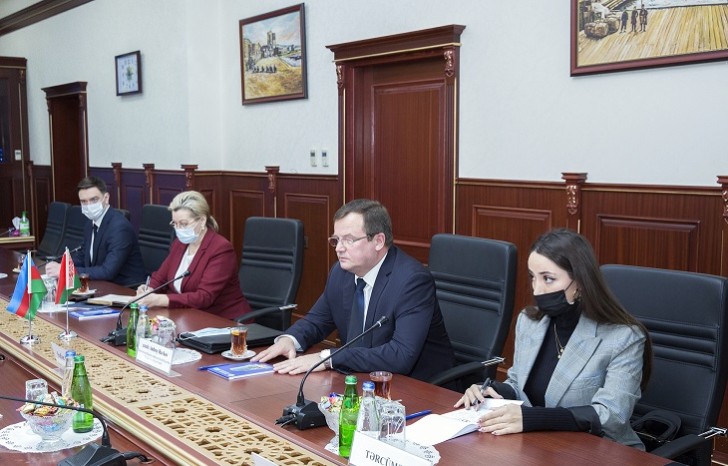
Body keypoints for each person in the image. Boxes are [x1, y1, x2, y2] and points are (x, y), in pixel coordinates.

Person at [454, 228, 652, 449]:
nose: (537, 290)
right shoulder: (529, 322)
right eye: (533, 277)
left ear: (580, 282)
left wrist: (533, 418)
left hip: (599, 450)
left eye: (548, 279)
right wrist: (490, 391)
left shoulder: (623, 337)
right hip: (538, 445)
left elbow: (613, 415)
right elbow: (518, 385)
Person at [252, 199, 454, 382]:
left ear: (378, 241)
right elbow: (317, 320)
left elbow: (400, 355)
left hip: (418, 387)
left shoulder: (411, 281)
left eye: (349, 240)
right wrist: (289, 340)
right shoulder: (341, 272)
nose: (338, 248)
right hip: (360, 380)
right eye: (336, 240)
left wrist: (328, 358)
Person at [135, 191, 251, 319]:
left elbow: (204, 297)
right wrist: (149, 289)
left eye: (184, 224)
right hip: (186, 315)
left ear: (202, 220)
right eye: (175, 223)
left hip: (222, 319)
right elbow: (160, 278)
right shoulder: (179, 244)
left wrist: (160, 299)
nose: (179, 229)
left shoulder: (221, 249)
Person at [45, 176, 145, 287]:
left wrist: (67, 271)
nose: (89, 205)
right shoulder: (90, 223)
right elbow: (83, 257)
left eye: (93, 200)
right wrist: (61, 265)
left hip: (125, 289)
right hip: (101, 285)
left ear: (106, 198)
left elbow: (108, 271)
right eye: (84, 201)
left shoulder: (119, 227)